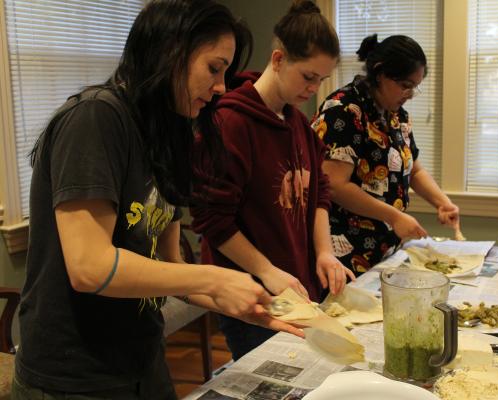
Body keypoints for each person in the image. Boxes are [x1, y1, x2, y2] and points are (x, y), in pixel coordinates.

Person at [13, 1, 303, 399]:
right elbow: (89, 267)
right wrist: (218, 277)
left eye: (226, 73)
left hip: (143, 360)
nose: (221, 87)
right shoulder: (96, 119)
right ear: (170, 51)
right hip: (73, 376)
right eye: (214, 68)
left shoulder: (169, 134)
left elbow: (168, 267)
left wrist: (237, 302)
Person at [190, 0, 355, 361]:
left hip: (294, 287)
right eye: (308, 77)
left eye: (321, 80)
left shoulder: (298, 125)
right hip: (252, 294)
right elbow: (213, 221)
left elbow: (320, 194)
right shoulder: (230, 123)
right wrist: (266, 271)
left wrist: (325, 252)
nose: (314, 89)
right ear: (278, 60)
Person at [311, 34, 460, 276]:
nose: (411, 93)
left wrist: (442, 202)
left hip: (385, 248)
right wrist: (394, 216)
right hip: (346, 250)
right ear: (380, 73)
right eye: (405, 85)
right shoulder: (344, 110)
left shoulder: (396, 114)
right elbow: (335, 186)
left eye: (415, 86)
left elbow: (414, 169)